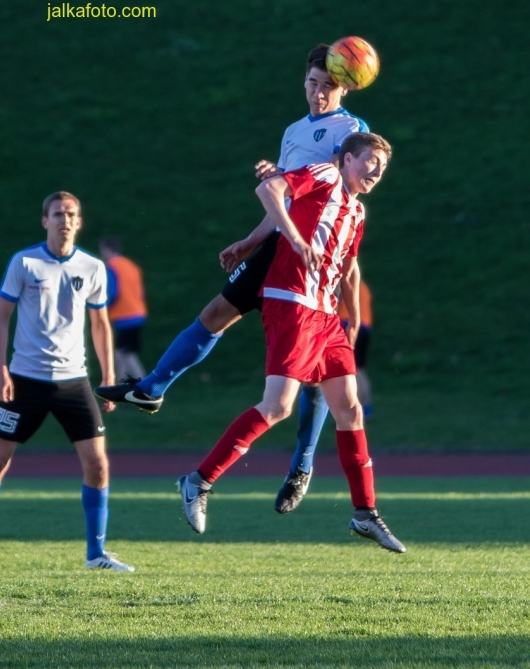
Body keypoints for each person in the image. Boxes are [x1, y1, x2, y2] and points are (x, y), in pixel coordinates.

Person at [95, 43, 370, 513]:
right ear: (302, 82)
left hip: (312, 259)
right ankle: (152, 389)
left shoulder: (352, 131)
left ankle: (301, 465)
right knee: (216, 313)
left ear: (344, 86)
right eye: (312, 83)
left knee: (314, 376)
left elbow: (334, 195)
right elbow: (282, 198)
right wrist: (249, 239)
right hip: (277, 247)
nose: (318, 93)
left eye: (328, 85)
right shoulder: (293, 131)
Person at [178, 133, 406, 553]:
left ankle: (365, 513)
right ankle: (198, 481)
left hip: (325, 315)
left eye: (382, 168)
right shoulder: (323, 174)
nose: (375, 171)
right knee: (278, 406)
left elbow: (349, 265)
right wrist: (294, 240)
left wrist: (352, 313)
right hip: (293, 302)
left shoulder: (356, 210)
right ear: (347, 158)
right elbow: (270, 189)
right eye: (370, 162)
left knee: (350, 409)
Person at [0, 191, 134, 574]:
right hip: (25, 381)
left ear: (79, 222)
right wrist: (1, 370)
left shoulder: (93, 267)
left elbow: (100, 324)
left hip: (74, 381)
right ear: (44, 220)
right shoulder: (25, 262)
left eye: (71, 214)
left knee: (98, 465)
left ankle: (96, 554)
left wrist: (109, 376)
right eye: (57, 214)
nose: (64, 220)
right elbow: (1, 318)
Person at [98, 236, 147, 382]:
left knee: (127, 353)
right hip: (138, 313)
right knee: (122, 353)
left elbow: (112, 293)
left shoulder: (111, 266)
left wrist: (101, 307)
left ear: (108, 249)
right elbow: (141, 292)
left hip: (124, 315)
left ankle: (145, 386)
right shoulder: (131, 266)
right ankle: (121, 386)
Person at [338, 280, 373, 418]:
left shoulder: (343, 284)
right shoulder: (363, 287)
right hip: (365, 328)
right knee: (360, 369)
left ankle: (353, 410)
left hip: (348, 326)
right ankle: (367, 407)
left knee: (349, 371)